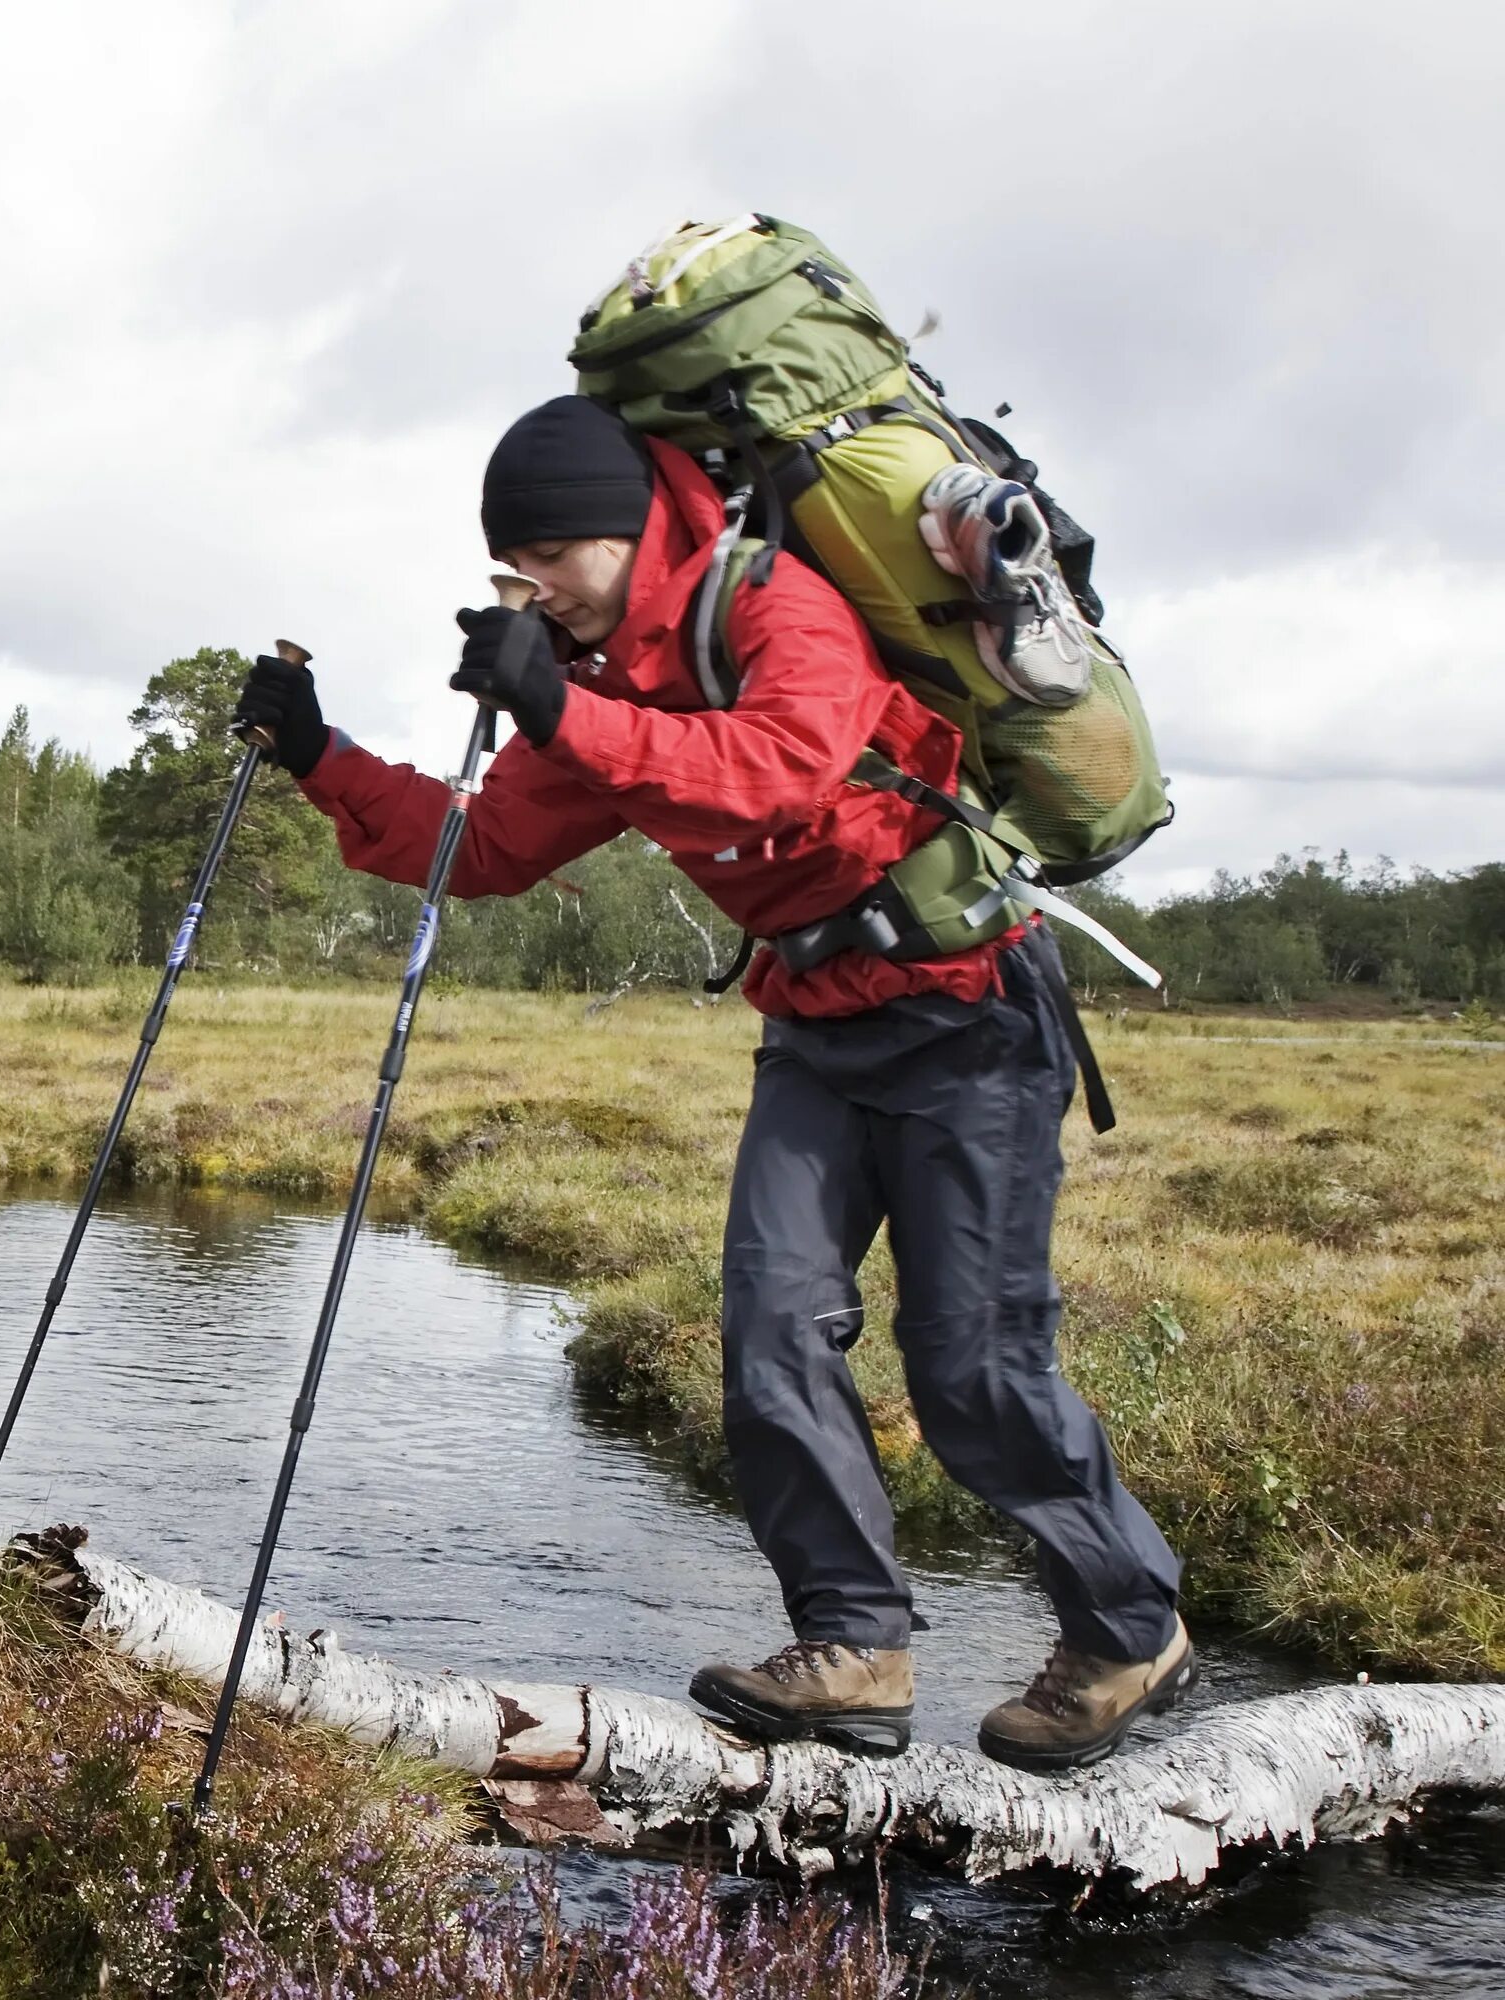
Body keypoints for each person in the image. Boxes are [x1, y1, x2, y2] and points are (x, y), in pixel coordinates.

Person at [232, 394, 1190, 1770]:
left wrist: (559, 705)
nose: (525, 590)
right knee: (770, 1329)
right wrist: (324, 756)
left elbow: (777, 772)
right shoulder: (603, 680)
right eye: (509, 569)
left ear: (621, 534)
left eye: (544, 559)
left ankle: (1127, 1623)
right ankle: (855, 1646)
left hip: (968, 1015)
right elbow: (491, 847)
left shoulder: (772, 605)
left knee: (970, 1369)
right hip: (814, 1024)